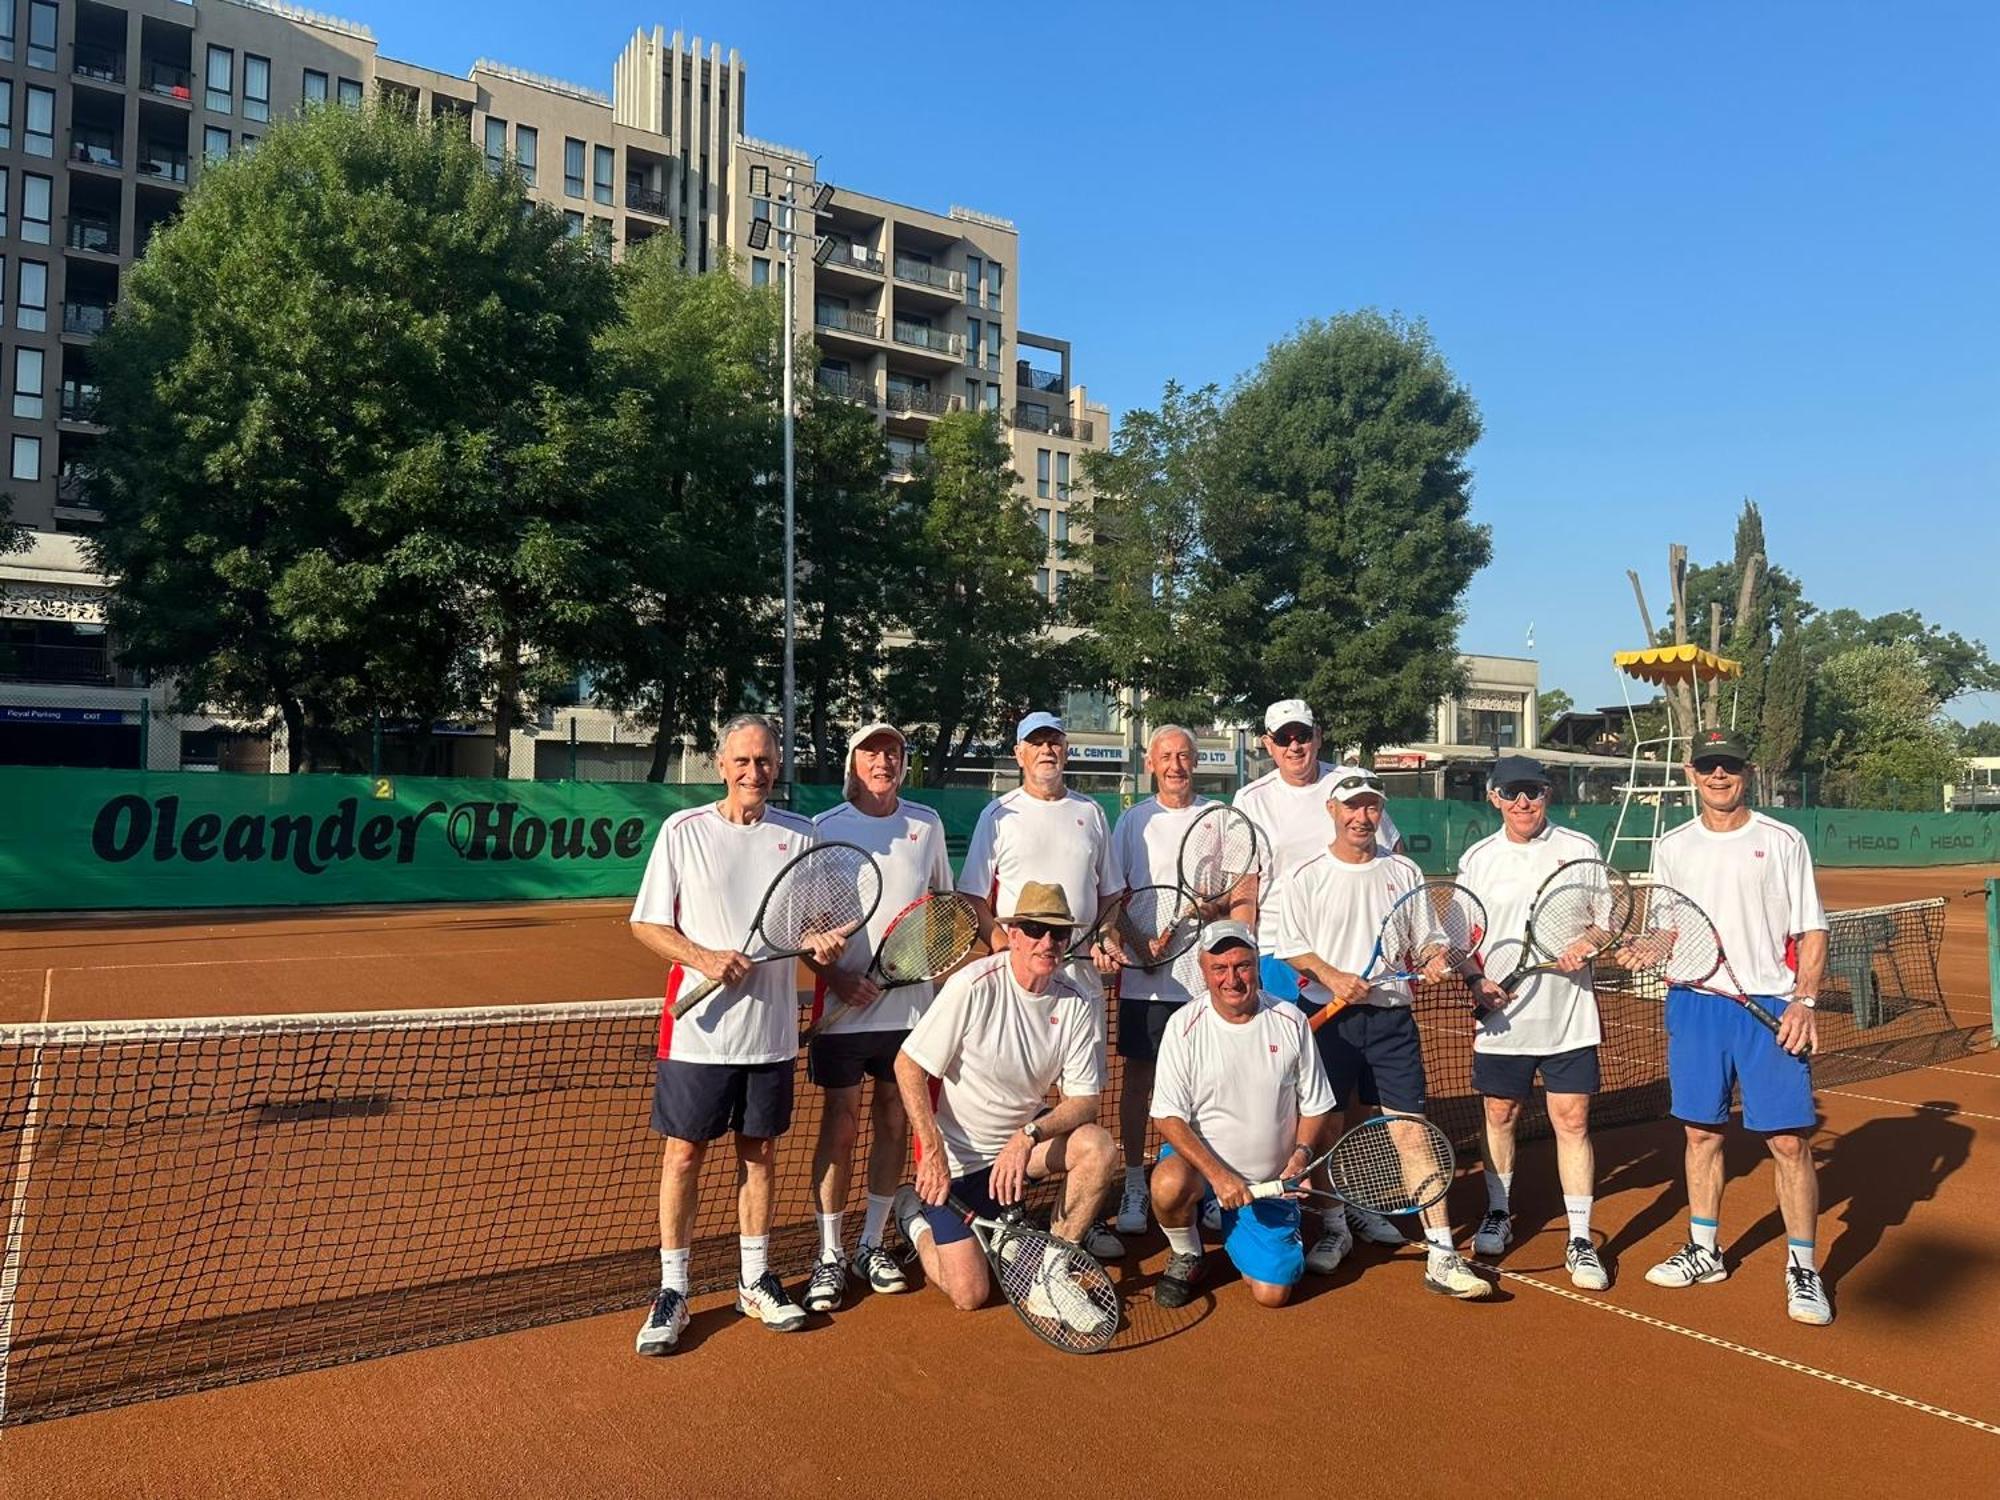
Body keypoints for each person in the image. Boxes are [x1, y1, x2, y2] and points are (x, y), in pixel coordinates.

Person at [627, 715, 849, 1354]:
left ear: (778, 766)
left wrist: (823, 947)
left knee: (759, 1154)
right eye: (743, 761)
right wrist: (702, 957)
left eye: (766, 761)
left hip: (771, 1034)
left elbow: (818, 935)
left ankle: (755, 1278)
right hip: (697, 1034)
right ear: (721, 765)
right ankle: (673, 1289)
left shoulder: (802, 836)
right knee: (684, 1155)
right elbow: (647, 924)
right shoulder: (683, 831)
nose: (755, 773)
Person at [1276, 766, 1491, 1299]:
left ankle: (1442, 1253)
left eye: (1371, 806)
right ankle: (1335, 1227)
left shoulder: (1404, 872)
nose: (1361, 816)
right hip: (1329, 1021)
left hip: (1393, 1020)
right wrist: (1332, 977)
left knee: (1411, 1130)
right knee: (1326, 1130)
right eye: (1352, 806)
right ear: (1333, 810)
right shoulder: (1305, 876)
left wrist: (1434, 957)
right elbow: (1291, 946)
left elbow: (1425, 943)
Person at [1643, 729, 1831, 1325]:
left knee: (1788, 1142)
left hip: (1771, 1005)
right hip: (1696, 1003)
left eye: (1727, 766)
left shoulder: (1782, 840)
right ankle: (1705, 1249)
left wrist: (1804, 1000)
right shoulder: (1672, 846)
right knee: (1701, 1134)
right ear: (1690, 773)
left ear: (1745, 771)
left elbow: (1813, 929)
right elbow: (1667, 925)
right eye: (1707, 767)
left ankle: (1803, 1268)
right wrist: (1649, 946)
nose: (1717, 777)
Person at [890, 883, 1117, 1334]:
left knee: (1098, 1146)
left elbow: (1086, 1100)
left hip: (1017, 1157)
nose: (1046, 943)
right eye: (1034, 930)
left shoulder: (1076, 1002)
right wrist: (931, 1151)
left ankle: (1053, 1274)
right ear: (1011, 933)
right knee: (970, 1294)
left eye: (1058, 934)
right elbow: (908, 1065)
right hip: (954, 1165)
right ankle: (912, 1219)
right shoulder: (973, 986)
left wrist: (1027, 1136)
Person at [799, 723, 955, 1314]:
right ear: (853, 763)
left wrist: (930, 971)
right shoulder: (824, 829)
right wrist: (836, 977)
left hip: (909, 1010)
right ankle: (828, 1253)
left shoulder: (925, 825)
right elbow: (804, 928)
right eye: (871, 751)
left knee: (895, 1119)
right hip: (843, 1014)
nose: (882, 761)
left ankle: (871, 1242)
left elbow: (944, 908)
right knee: (840, 1124)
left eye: (892, 752)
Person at [957, 710, 1124, 1258]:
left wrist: (1104, 935)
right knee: (1019, 1085)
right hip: (1017, 975)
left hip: (1078, 976)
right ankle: (1012, 1205)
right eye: (1037, 743)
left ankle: (1078, 1216)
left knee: (1080, 1095)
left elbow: (1108, 897)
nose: (1047, 750)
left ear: (1066, 751)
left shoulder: (1091, 813)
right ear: (1020, 753)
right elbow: (976, 899)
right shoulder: (998, 814)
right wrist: (1004, 946)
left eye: (1055, 741)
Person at [1455, 755, 1612, 1290]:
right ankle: (1498, 1211)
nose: (1524, 803)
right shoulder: (1478, 859)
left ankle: (1581, 1236)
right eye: (1512, 792)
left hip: (1569, 1017)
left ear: (1548, 794)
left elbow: (1607, 921)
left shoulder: (1580, 851)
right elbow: (1461, 942)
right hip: (1503, 1021)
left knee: (1572, 1121)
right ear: (1495, 797)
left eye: (1534, 792)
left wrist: (1588, 943)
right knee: (1499, 1115)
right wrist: (1477, 983)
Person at [1107, 725, 1254, 1236]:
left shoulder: (1221, 820)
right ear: (1151, 762)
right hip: (1145, 986)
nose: (1175, 765)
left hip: (1201, 982)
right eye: (1166, 756)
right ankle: (1131, 1182)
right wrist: (1136, 942)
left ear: (1196, 762)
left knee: (1207, 1085)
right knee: (1139, 1083)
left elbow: (1239, 897)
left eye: (1184, 756)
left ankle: (1209, 1184)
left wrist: (1211, 907)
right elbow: (1114, 898)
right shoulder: (1132, 822)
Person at [1149, 922, 1337, 1310]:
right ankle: (1189, 1254)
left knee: (1273, 1294)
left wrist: (1300, 1157)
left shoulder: (1290, 1020)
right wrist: (1219, 1178)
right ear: (1203, 970)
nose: (1232, 979)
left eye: (1242, 966)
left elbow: (1317, 1105)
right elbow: (1167, 1117)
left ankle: (1246, 1231)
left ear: (1257, 966)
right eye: (1220, 968)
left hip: (1268, 1182)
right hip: (1204, 1170)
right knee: (1168, 1184)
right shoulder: (1183, 1026)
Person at [1233, 700, 1404, 1005]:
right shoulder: (1249, 800)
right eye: (1284, 738)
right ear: (1268, 744)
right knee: (1285, 1047)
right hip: (1280, 949)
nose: (1295, 746)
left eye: (1303, 735)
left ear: (1318, 736)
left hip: (1354, 944)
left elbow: (1395, 854)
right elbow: (1245, 886)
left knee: (1343, 1047)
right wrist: (1243, 946)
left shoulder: (1352, 783)